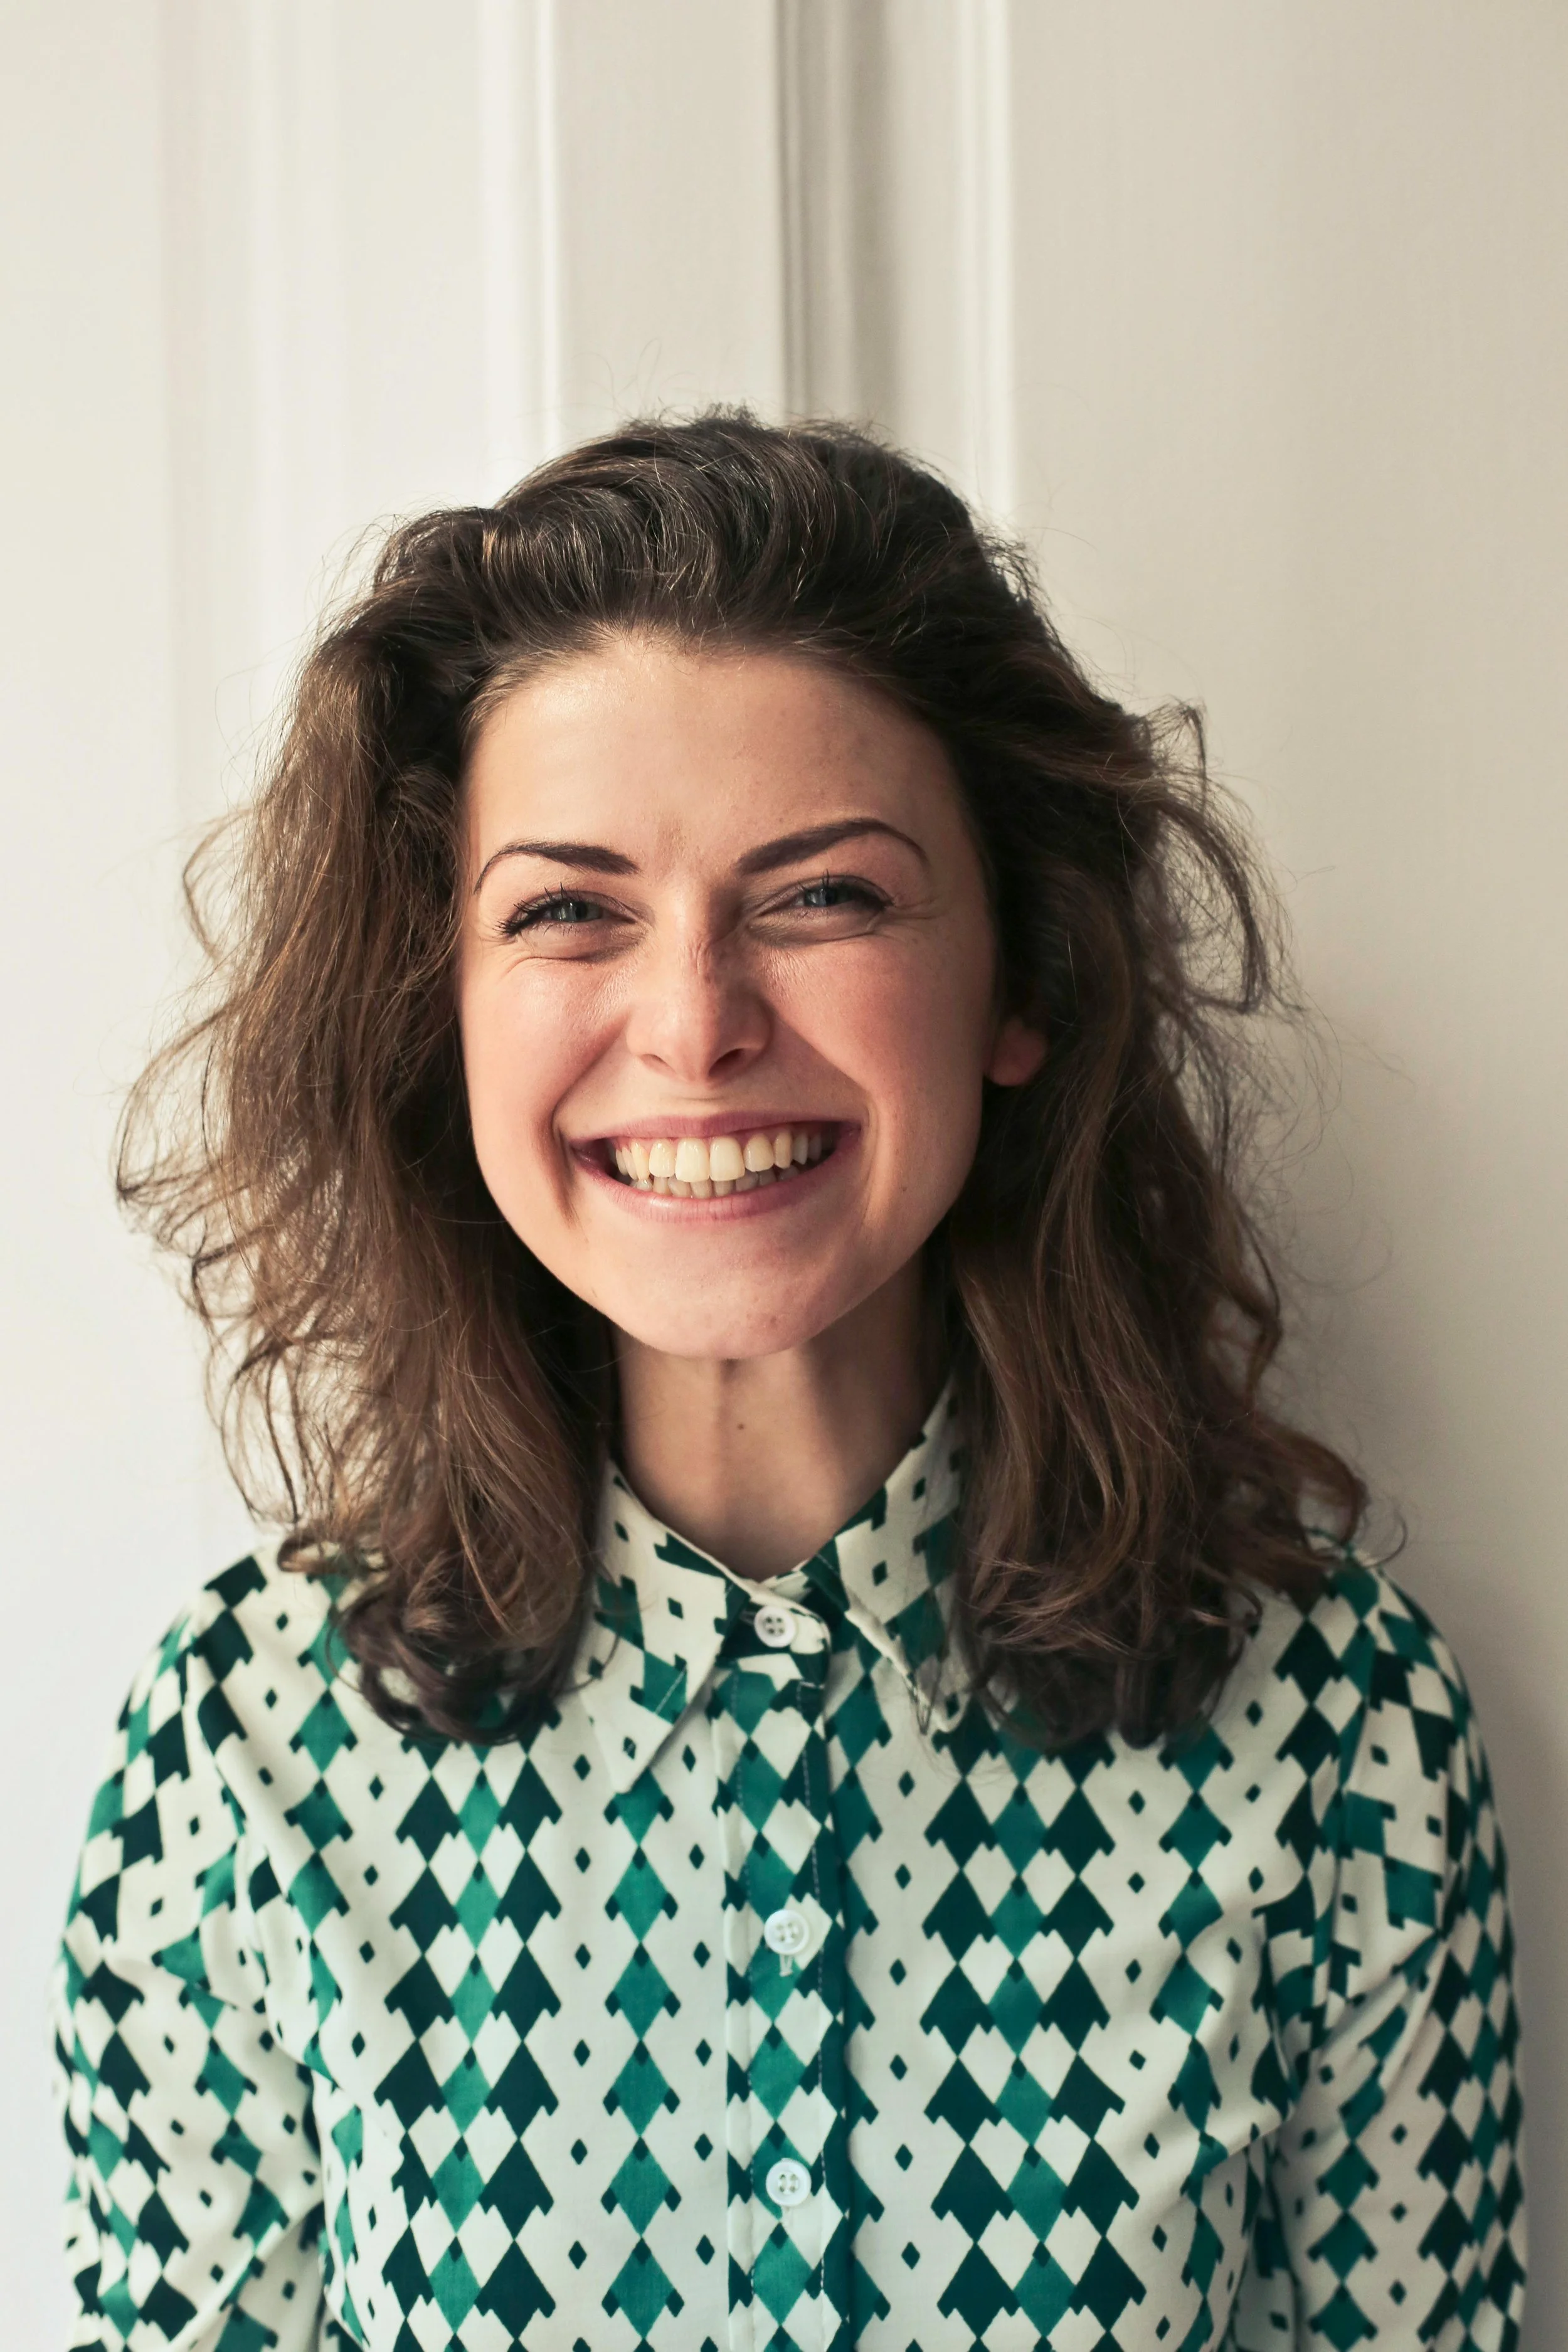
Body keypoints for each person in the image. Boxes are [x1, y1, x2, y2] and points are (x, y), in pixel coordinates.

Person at [54, 413, 1525, 2351]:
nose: (695, 1023)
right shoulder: (236, 1750)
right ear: (443, 1012)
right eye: (567, 908)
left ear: (1022, 983)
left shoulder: (1336, 1733)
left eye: (823, 894)